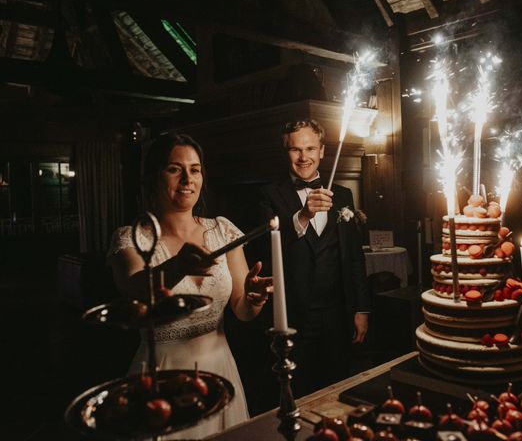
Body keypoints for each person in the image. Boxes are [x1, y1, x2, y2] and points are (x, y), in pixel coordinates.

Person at [108, 133, 272, 438]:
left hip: (220, 366)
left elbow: (242, 310)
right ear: (153, 177)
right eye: (174, 169)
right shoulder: (131, 238)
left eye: (195, 169)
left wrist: (253, 298)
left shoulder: (223, 230)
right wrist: (179, 265)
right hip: (162, 376)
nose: (187, 178)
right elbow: (137, 289)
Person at [259, 119, 370, 398]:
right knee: (298, 391)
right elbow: (266, 247)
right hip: (295, 314)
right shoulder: (270, 195)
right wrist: (303, 215)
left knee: (338, 387)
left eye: (310, 148)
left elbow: (354, 257)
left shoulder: (343, 194)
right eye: (295, 150)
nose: (303, 157)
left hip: (338, 313)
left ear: (322, 151)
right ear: (286, 153)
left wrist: (361, 309)